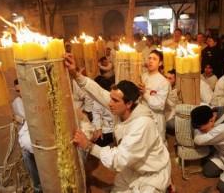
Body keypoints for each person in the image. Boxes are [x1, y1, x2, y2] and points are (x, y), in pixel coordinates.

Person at [64, 54, 171, 192]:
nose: (110, 103)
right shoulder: (120, 107)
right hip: (134, 168)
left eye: (115, 101)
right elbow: (98, 91)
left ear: (129, 103)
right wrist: (76, 74)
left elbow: (119, 158)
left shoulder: (142, 124)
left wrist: (89, 146)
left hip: (153, 173)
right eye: (111, 98)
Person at [12, 79, 42, 193]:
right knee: (26, 154)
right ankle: (38, 187)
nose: (20, 93)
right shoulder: (16, 103)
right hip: (29, 131)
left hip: (42, 130)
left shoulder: (37, 97)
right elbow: (23, 124)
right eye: (17, 91)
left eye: (22, 90)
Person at [137, 50, 170, 143]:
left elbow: (159, 105)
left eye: (154, 59)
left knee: (157, 145)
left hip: (155, 117)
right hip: (141, 115)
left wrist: (145, 93)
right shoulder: (142, 76)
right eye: (149, 58)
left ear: (160, 63)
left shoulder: (163, 81)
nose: (151, 61)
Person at [91, 77, 114, 147]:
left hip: (117, 127)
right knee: (95, 142)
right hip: (106, 128)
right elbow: (96, 113)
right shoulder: (98, 99)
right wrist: (98, 128)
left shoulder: (116, 98)